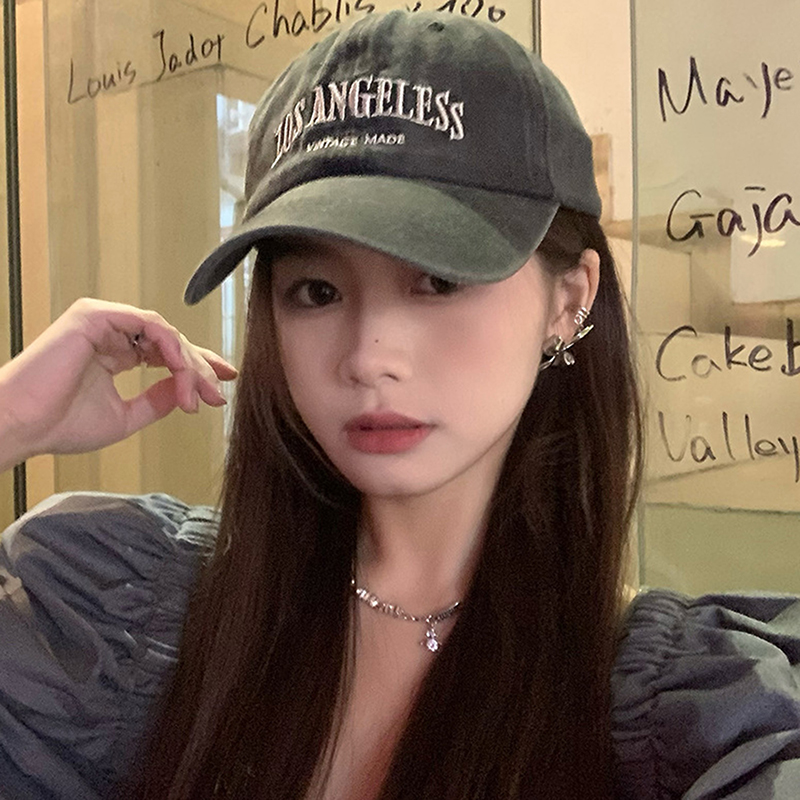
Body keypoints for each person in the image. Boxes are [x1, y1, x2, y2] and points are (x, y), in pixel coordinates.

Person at [1, 10, 799, 800]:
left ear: (569, 301)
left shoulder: (693, 715)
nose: (367, 356)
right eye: (317, 291)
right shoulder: (119, 623)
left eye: (438, 280)